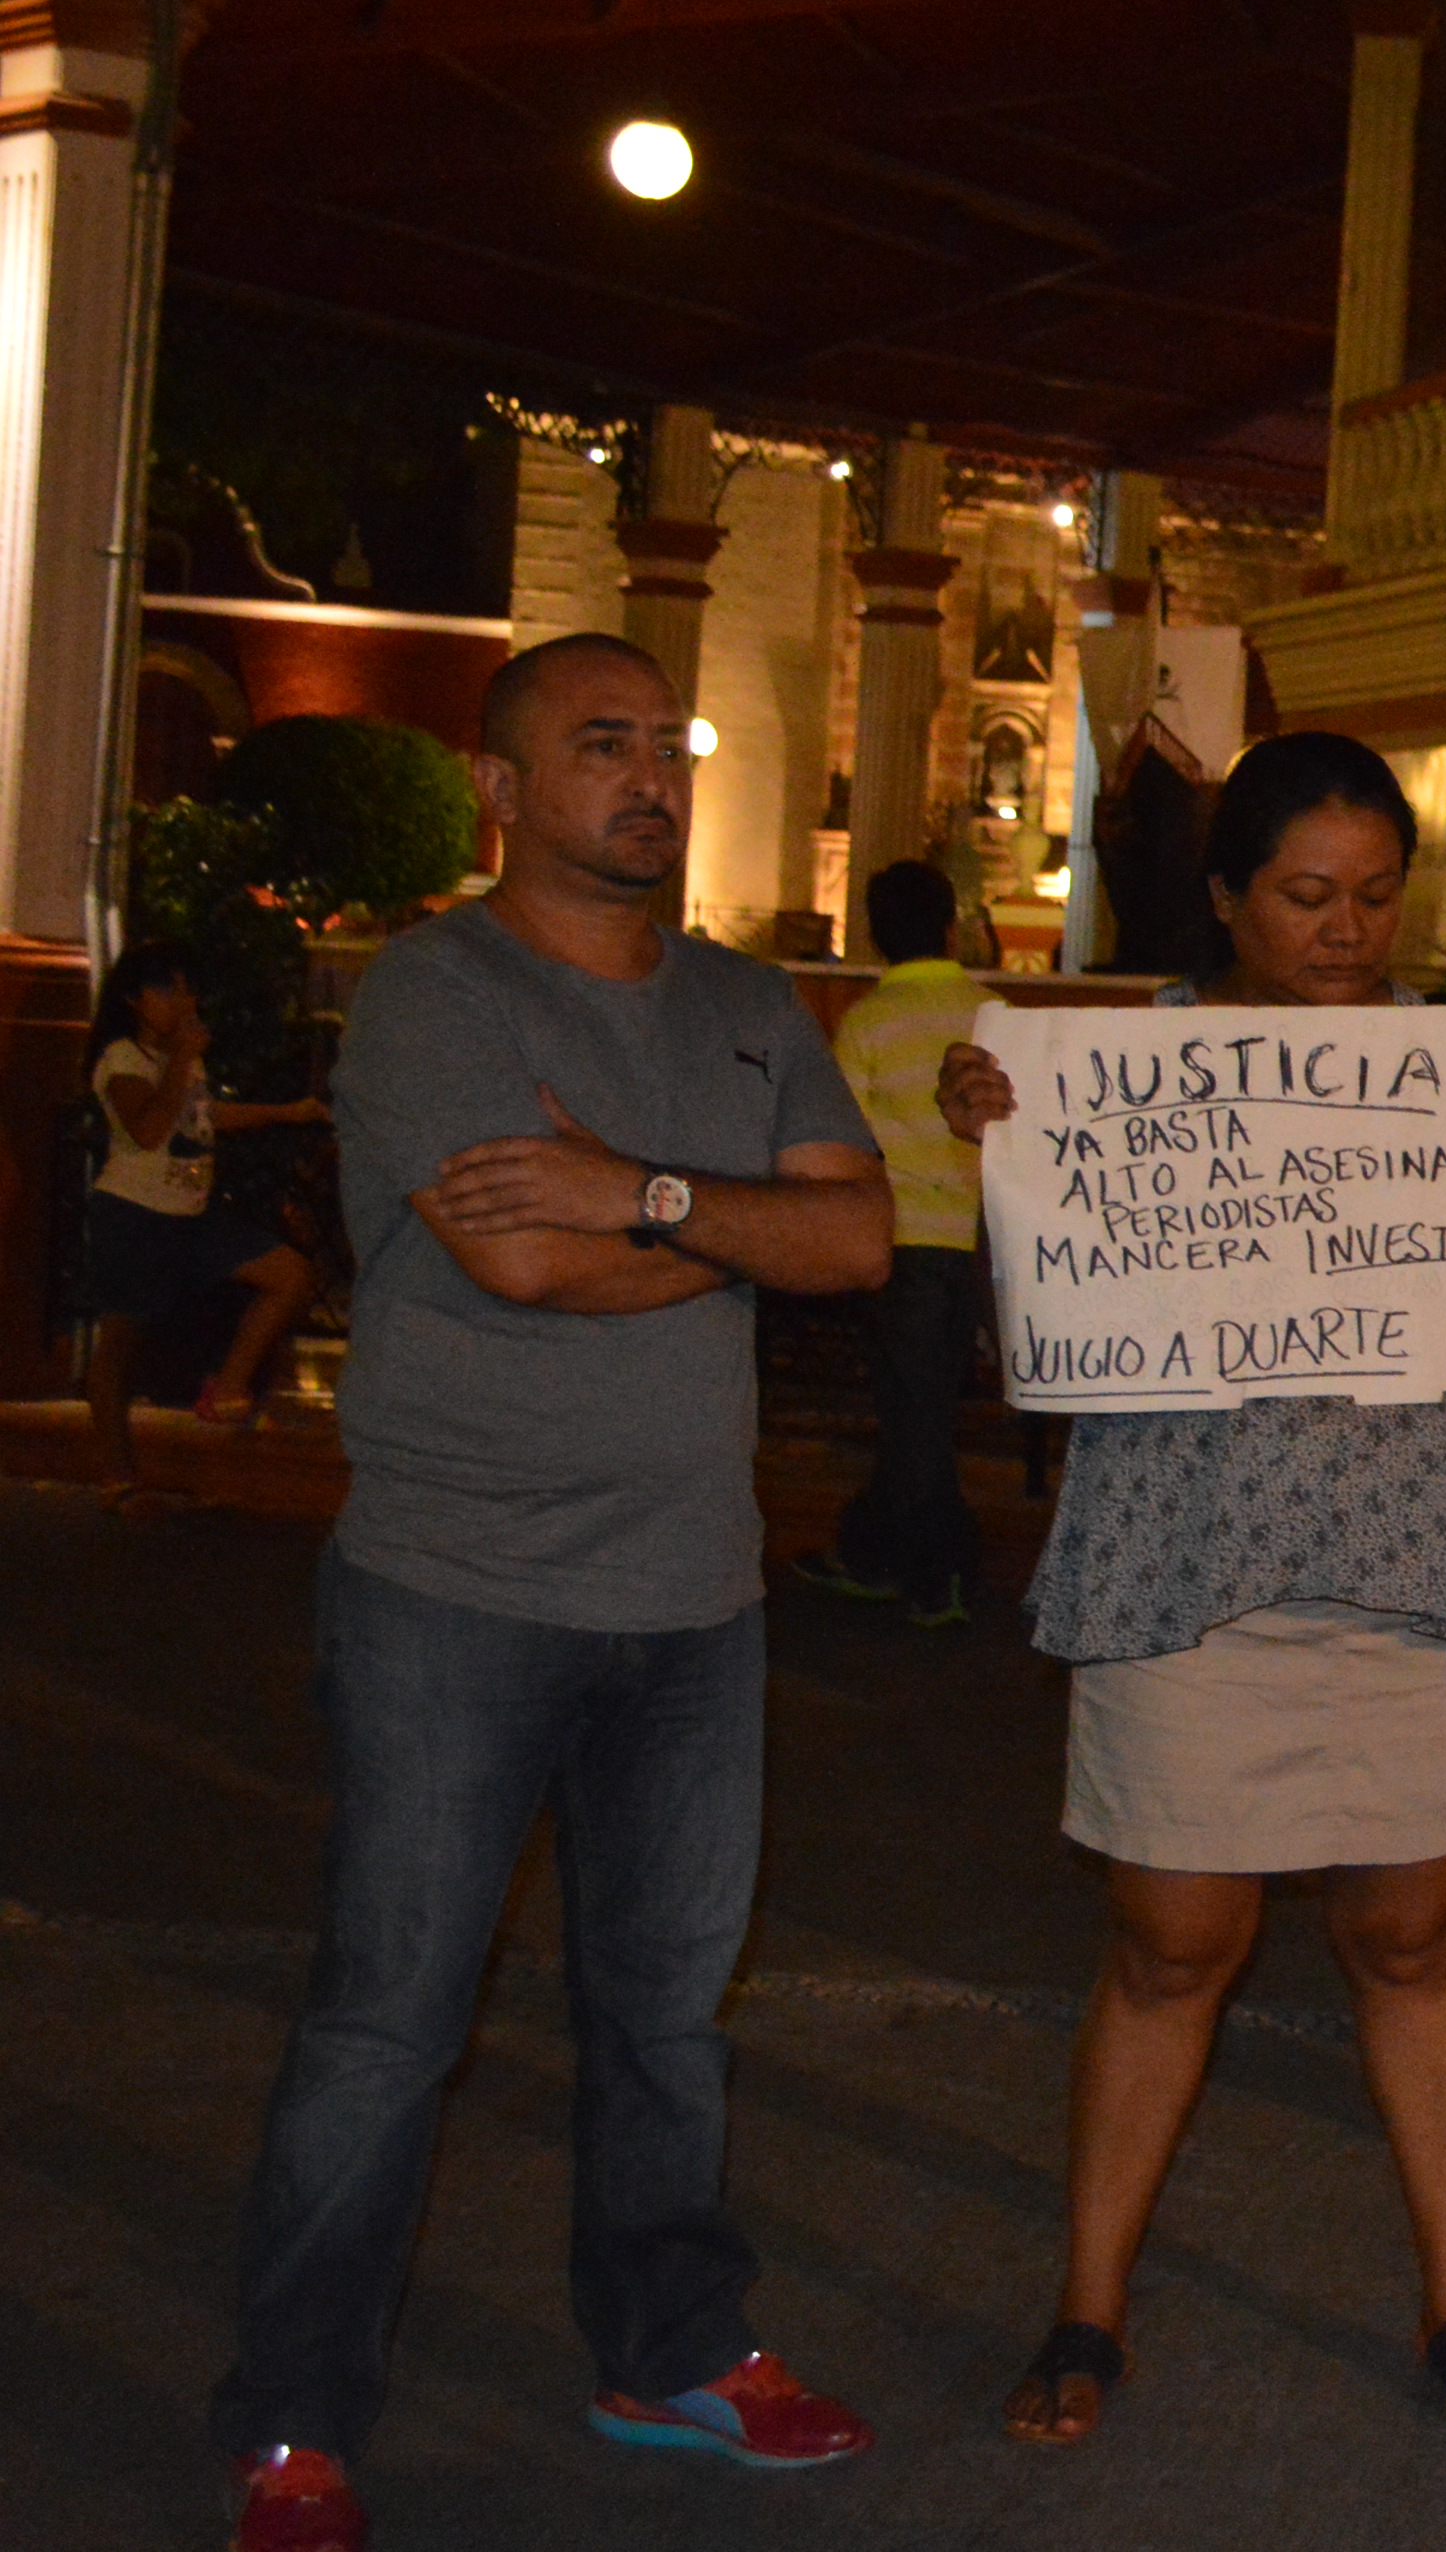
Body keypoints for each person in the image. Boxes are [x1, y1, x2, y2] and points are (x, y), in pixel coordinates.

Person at [932, 731, 1446, 2448]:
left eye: (1374, 896)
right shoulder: (1115, 1078)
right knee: (1172, 1943)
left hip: (1406, 1555)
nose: (1346, 931)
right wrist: (1005, 1157)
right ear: (1225, 896)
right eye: (1305, 896)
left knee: (1413, 1933)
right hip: (1183, 1555)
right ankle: (1086, 2306)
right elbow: (1035, 1322)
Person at [213, 634, 895, 2552]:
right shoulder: (435, 993)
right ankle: (294, 2423)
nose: (652, 778)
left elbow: (863, 1239)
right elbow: (527, 1265)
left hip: (695, 1597)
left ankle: (670, 2348)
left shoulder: (750, 1004)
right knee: (388, 2024)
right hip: (457, 1591)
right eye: (604, 746)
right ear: (502, 790)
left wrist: (648, 1196)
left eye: (666, 745)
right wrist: (749, 1227)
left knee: (668, 2013)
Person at [800, 859, 996, 1628]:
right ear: (952, 928)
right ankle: (874, 1552)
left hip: (900, 1243)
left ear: (877, 936)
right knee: (926, 1408)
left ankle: (936, 1571)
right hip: (976, 1245)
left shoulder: (868, 1022)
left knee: (912, 1413)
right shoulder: (994, 1015)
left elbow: (844, 1140)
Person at [79, 940, 330, 1509]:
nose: (184, 1000)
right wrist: (179, 1061)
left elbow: (205, 1116)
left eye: (187, 989)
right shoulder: (122, 1059)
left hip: (191, 1216)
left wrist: (284, 1112)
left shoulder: (181, 1060)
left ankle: (228, 1387)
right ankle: (119, 1476)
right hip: (135, 1216)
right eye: (168, 989)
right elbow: (147, 1129)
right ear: (134, 999)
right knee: (120, 1346)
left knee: (289, 1275)